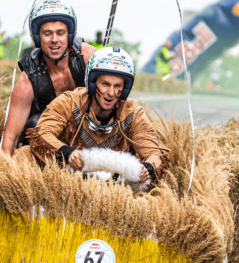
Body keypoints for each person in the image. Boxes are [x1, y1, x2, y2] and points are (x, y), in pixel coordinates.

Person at [22, 46, 168, 190]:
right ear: (92, 83)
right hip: (64, 181)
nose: (111, 92)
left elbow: (154, 153)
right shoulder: (68, 102)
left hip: (115, 189)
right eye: (105, 84)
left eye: (117, 86)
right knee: (24, 155)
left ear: (125, 89)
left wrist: (147, 168)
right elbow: (41, 133)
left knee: (160, 192)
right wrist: (67, 153)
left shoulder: (133, 113)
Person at [0, 0, 97, 155]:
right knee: (35, 123)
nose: (54, 40)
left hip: (87, 133)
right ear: (37, 37)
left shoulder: (88, 58)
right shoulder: (28, 80)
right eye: (47, 33)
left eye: (60, 33)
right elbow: (11, 137)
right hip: (47, 141)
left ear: (69, 35)